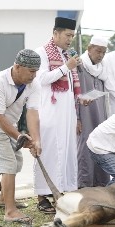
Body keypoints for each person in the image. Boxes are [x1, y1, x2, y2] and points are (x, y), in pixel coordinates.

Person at [0, 49, 42, 223]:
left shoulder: (33, 84)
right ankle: (10, 212)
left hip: (8, 125)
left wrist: (36, 140)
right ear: (18, 67)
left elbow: (33, 113)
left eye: (36, 72)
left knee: (17, 162)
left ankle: (4, 198)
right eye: (31, 71)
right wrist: (20, 136)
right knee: (8, 165)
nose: (34, 76)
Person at [33, 17, 80, 213]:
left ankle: (62, 193)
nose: (70, 39)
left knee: (67, 151)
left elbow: (69, 86)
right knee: (49, 151)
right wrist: (65, 67)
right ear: (55, 33)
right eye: (67, 35)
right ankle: (42, 196)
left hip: (66, 113)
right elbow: (42, 79)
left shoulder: (66, 54)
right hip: (49, 112)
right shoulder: (41, 52)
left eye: (72, 36)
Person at [76, 35, 110, 188]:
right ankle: (84, 184)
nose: (101, 55)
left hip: (100, 113)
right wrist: (77, 117)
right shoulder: (79, 65)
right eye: (98, 51)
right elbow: (74, 92)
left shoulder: (103, 69)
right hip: (84, 113)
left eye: (104, 52)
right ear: (89, 49)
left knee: (101, 145)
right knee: (85, 146)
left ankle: (101, 183)